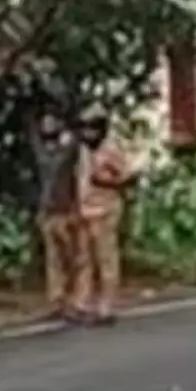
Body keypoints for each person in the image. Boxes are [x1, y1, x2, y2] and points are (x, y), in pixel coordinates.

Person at [72, 109, 137, 325]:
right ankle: (82, 304)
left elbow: (128, 178)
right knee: (84, 260)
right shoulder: (83, 151)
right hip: (84, 211)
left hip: (105, 211)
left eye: (92, 129)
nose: (87, 133)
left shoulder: (111, 150)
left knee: (106, 260)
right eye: (84, 128)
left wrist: (105, 183)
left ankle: (106, 308)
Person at [32, 109, 85, 322]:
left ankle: (72, 300)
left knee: (70, 258)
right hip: (50, 211)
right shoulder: (44, 153)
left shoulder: (64, 152)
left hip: (64, 211)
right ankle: (58, 300)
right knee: (55, 260)